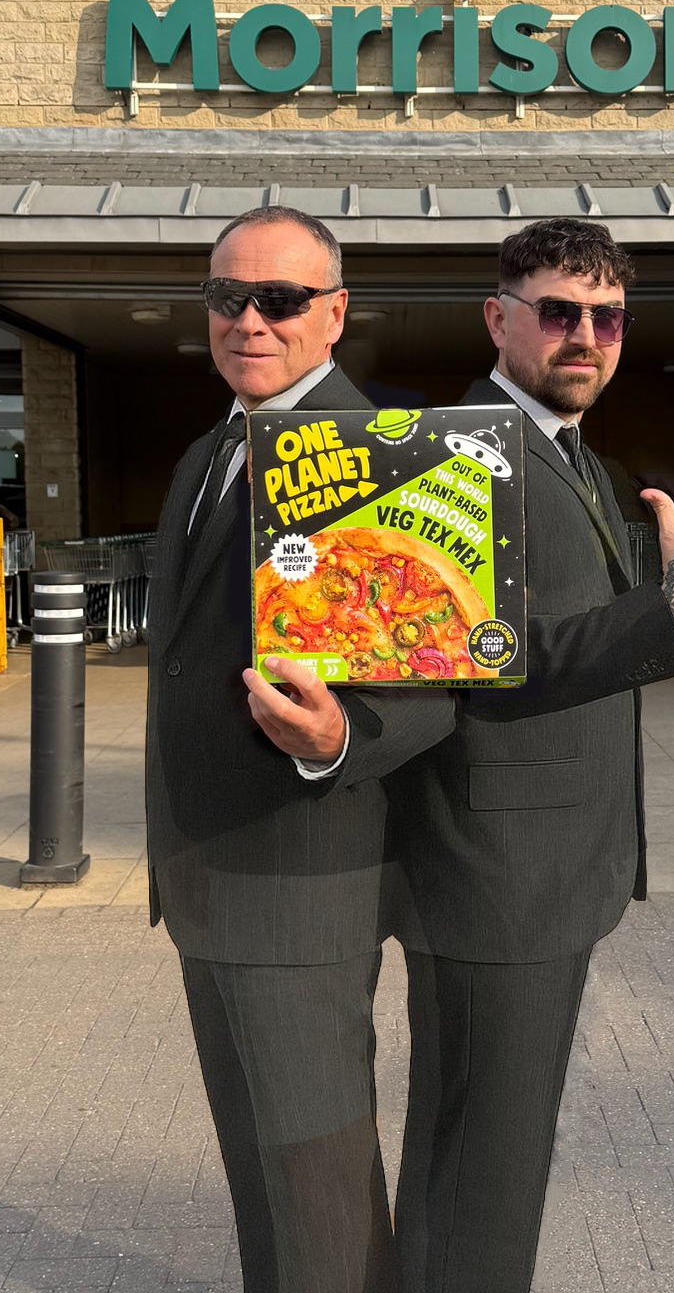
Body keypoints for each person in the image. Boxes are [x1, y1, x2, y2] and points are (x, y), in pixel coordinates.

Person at [389, 218, 674, 1293]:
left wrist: (668, 598)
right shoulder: (452, 452)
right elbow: (468, 653)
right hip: (494, 872)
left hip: (552, 866)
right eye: (559, 312)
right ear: (499, 319)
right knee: (483, 1158)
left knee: (497, 1145)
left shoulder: (575, 454)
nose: (585, 336)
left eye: (607, 318)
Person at [145, 205, 451, 1293]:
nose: (250, 321)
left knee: (316, 1175)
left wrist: (338, 738)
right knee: (256, 1167)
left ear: (335, 312)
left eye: (278, 300)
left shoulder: (385, 457)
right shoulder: (210, 451)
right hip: (202, 877)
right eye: (229, 298)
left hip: (301, 881)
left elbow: (433, 685)